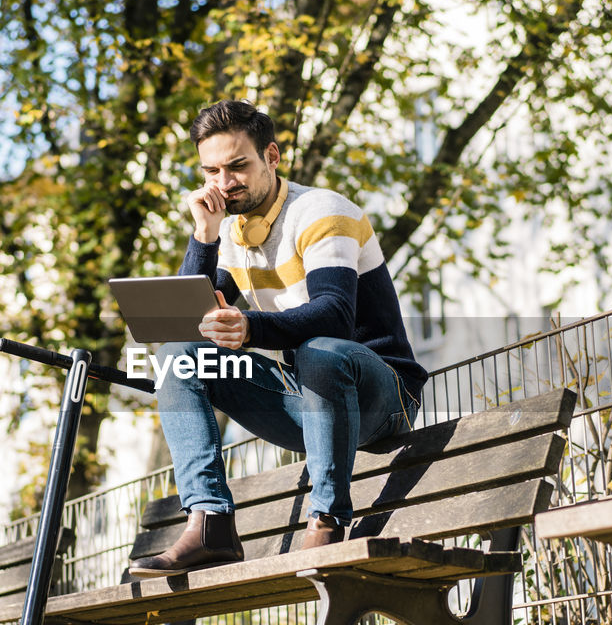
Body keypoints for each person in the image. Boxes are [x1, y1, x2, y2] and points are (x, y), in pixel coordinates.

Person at [128, 100, 427, 577]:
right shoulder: (231, 231)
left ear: (272, 155)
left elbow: (334, 316)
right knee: (179, 357)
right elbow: (185, 324)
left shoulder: (321, 211)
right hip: (310, 403)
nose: (224, 183)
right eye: (212, 171)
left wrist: (251, 328)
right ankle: (211, 525)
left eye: (238, 166)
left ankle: (327, 521)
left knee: (321, 350)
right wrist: (203, 239)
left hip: (382, 398)